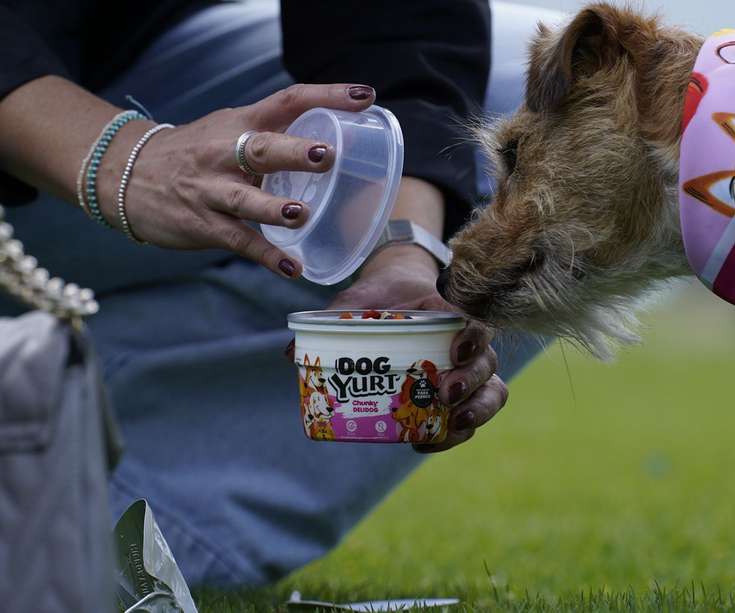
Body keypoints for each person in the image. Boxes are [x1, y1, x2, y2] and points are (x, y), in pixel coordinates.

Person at [0, 0, 554, 586]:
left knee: (536, 113)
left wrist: (406, 252)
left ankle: (108, 505)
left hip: (112, 68)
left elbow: (402, 26)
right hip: (43, 128)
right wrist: (120, 159)